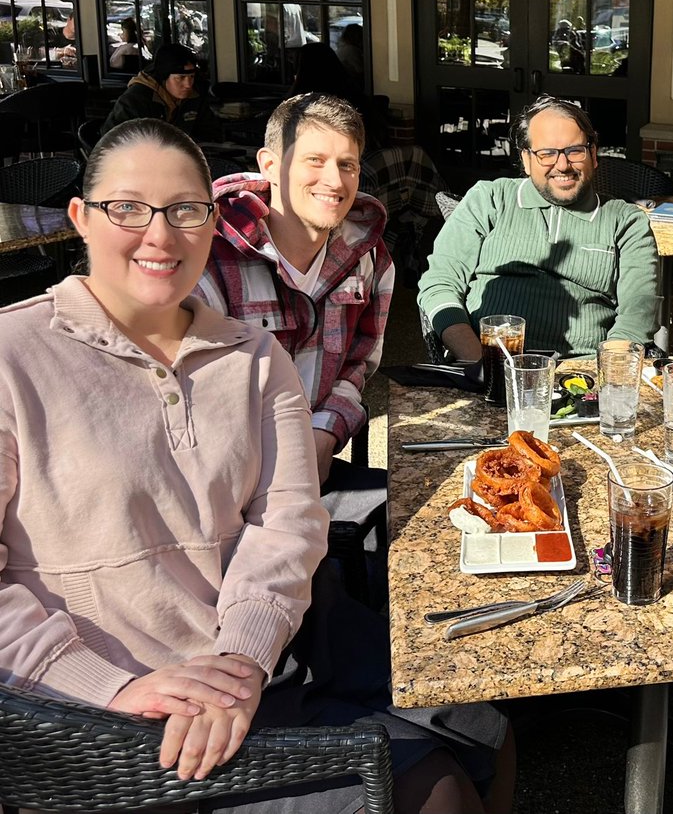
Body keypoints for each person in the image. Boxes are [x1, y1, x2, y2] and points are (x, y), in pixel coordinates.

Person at [0, 118, 512, 813]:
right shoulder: (14, 356)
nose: (159, 234)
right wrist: (106, 686)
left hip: (263, 659)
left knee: (486, 726)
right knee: (440, 790)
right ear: (80, 220)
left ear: (212, 222)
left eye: (185, 210)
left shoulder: (250, 355)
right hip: (104, 721)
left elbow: (286, 523)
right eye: (127, 208)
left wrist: (242, 654)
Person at [195, 94, 393, 501]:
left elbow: (358, 363)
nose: (335, 182)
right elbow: (190, 397)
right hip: (222, 484)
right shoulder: (208, 255)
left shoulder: (369, 257)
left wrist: (325, 432)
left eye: (347, 165)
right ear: (270, 165)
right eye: (315, 161)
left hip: (317, 465)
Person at [417, 94, 659, 359]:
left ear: (594, 154)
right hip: (486, 362)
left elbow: (638, 315)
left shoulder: (626, 222)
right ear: (526, 159)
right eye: (547, 154)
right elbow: (440, 283)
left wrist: (601, 378)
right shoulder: (490, 199)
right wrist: (477, 361)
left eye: (575, 150)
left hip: (580, 373)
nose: (563, 165)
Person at [99, 43, 216, 141]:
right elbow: (113, 142)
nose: (188, 84)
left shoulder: (196, 95)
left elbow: (210, 132)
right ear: (164, 77)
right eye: (180, 78)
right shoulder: (136, 100)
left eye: (191, 77)